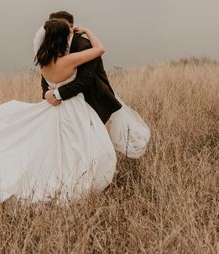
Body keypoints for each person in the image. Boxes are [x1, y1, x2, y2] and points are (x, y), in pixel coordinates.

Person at [0, 19, 117, 214]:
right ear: (61, 38)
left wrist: (52, 94)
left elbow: (50, 84)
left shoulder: (43, 60)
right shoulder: (68, 60)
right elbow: (100, 49)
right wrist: (88, 31)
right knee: (76, 145)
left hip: (52, 106)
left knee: (51, 145)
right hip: (72, 109)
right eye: (67, 35)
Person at [33, 11, 150, 159]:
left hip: (90, 96)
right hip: (68, 103)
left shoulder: (53, 51)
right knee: (75, 139)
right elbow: (45, 79)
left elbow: (85, 80)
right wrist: (47, 94)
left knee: (80, 137)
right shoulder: (64, 56)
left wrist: (55, 94)